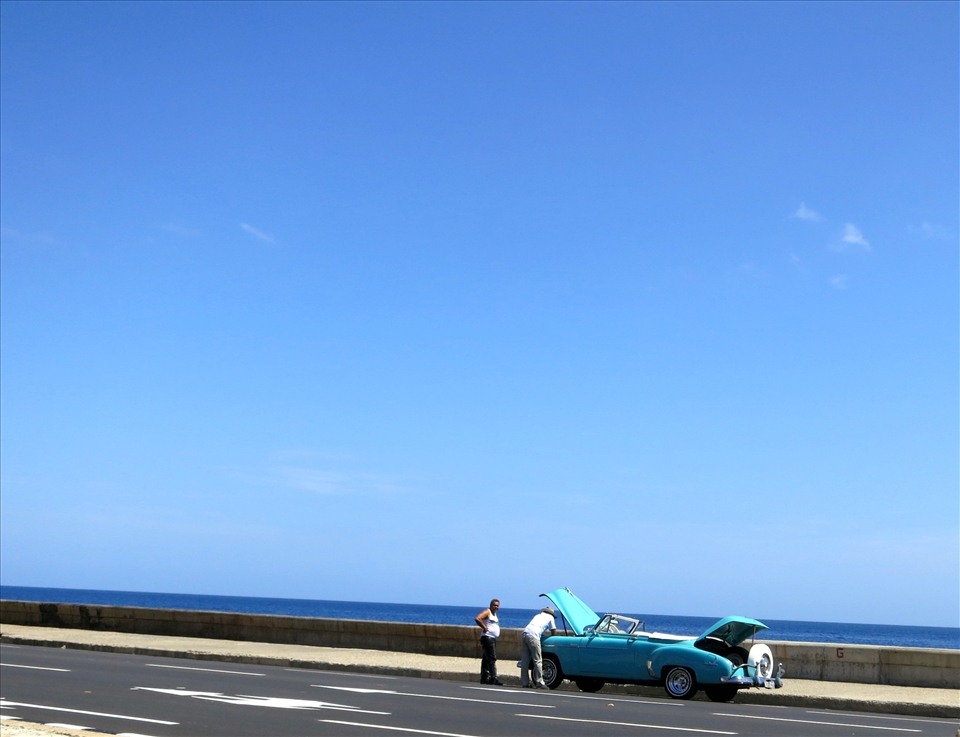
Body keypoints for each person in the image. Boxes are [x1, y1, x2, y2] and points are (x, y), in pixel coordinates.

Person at [520, 606, 557, 688]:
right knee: (538, 660)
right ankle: (539, 682)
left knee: (525, 661)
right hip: (534, 636)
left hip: (525, 633)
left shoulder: (538, 615)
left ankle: (525, 683)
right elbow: (553, 630)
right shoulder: (550, 617)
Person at [474, 599, 503, 685]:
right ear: (491, 605)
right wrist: (484, 628)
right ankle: (493, 678)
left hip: (492, 638)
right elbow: (478, 618)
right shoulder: (488, 612)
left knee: (486, 659)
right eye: (494, 605)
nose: (496, 607)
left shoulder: (494, 614)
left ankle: (485, 677)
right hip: (487, 638)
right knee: (492, 658)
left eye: (497, 605)